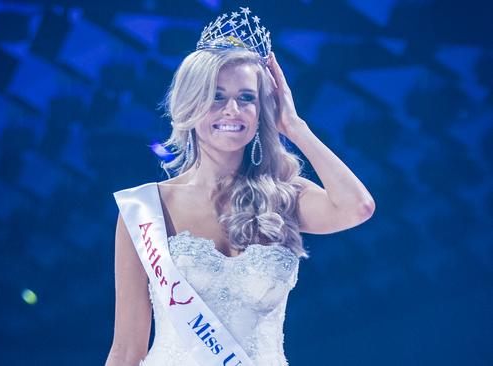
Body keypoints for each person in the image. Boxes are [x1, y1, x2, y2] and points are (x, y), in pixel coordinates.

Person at [105, 6, 375, 366]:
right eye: (217, 95)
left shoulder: (284, 196)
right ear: (191, 103)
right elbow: (126, 350)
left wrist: (295, 126)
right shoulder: (146, 210)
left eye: (246, 97)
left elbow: (358, 207)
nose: (232, 109)